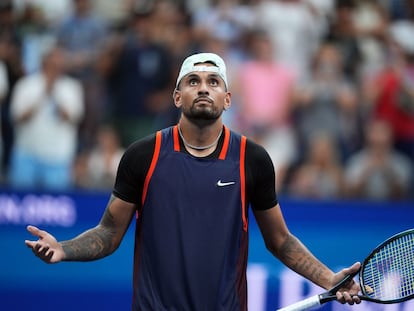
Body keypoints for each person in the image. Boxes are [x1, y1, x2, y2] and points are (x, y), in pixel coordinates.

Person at [25, 52, 361, 310]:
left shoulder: (252, 159)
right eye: (193, 81)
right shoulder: (144, 155)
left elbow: (281, 241)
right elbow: (109, 233)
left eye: (214, 82)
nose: (203, 88)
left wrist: (329, 278)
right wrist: (63, 249)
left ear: (227, 99)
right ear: (177, 97)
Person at [9, 46, 84, 190]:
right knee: (22, 202)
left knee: (55, 207)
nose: (56, 68)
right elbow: (17, 117)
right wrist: (42, 94)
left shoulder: (72, 87)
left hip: (58, 157)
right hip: (27, 154)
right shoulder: (26, 85)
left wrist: (54, 94)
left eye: (59, 64)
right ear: (44, 62)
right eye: (52, 64)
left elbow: (74, 118)